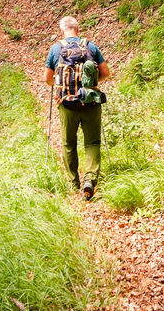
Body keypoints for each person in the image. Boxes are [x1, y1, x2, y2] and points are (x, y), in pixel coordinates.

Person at [44, 15, 110, 200]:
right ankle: (90, 180)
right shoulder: (90, 46)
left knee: (68, 144)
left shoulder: (56, 49)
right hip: (91, 102)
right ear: (77, 29)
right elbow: (105, 72)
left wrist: (58, 87)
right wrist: (93, 83)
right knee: (93, 142)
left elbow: (47, 78)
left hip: (67, 104)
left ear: (62, 30)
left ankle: (74, 184)